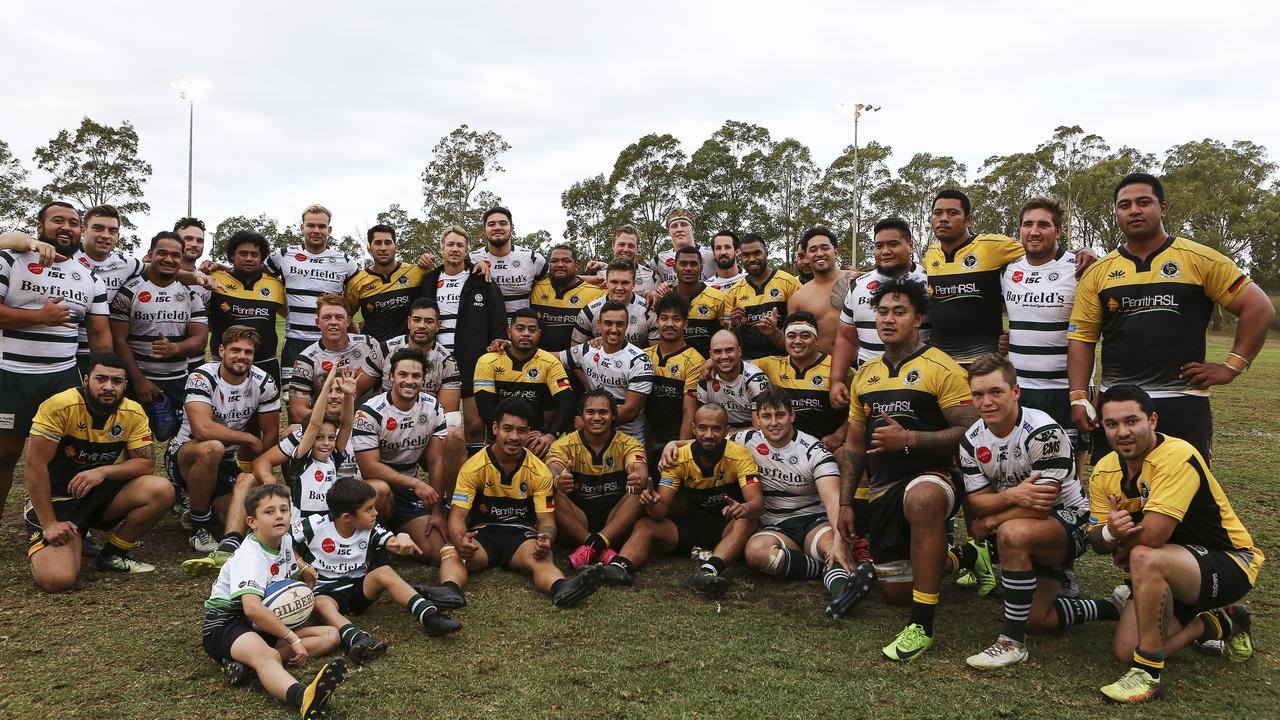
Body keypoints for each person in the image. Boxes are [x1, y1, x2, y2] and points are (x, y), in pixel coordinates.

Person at [1068, 173, 1274, 463]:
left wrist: (1231, 366)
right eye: (1124, 205)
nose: (1134, 210)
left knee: (1186, 495)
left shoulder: (1199, 259)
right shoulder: (1099, 272)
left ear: (1162, 208)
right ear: (1116, 212)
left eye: (1143, 202)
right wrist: (1078, 397)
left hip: (1182, 402)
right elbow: (1082, 338)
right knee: (1116, 494)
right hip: (1117, 405)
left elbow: (1259, 307)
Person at [1088, 384, 1262, 703]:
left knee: (1144, 554)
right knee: (1125, 650)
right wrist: (1111, 533)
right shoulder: (1103, 470)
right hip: (1169, 570)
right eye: (1111, 424)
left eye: (1131, 421)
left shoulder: (1176, 455)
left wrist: (1119, 544)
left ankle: (1148, 675)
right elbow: (1096, 541)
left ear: (1152, 420)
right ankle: (1215, 623)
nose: (1122, 432)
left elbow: (1153, 536)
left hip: (1230, 562)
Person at [836, 276, 978, 662]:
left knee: (922, 498)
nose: (888, 319)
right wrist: (846, 504)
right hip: (883, 489)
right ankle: (966, 557)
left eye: (899, 312)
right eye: (882, 312)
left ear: (918, 319)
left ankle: (922, 625)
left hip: (935, 478)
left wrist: (911, 440)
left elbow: (970, 431)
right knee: (897, 592)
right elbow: (853, 445)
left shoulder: (942, 367)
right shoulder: (865, 375)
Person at [957, 354, 1124, 669]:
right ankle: (1112, 607)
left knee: (1011, 533)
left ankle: (1011, 643)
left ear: (1016, 392)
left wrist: (992, 518)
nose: (986, 401)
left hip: (1070, 522)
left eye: (996, 392)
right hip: (1029, 523)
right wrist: (1018, 495)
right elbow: (977, 501)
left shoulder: (1043, 431)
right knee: (1036, 620)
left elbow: (1041, 505)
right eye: (978, 394)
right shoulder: (971, 440)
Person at [24, 353, 171, 589]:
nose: (108, 387)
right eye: (101, 379)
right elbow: (35, 467)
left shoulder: (132, 411)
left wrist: (102, 472)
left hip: (96, 493)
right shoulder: (60, 406)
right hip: (56, 498)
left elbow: (145, 464)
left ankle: (113, 553)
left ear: (125, 385)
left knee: (160, 488)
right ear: (86, 379)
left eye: (116, 381)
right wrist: (50, 523)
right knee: (57, 580)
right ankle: (61, 533)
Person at [199, 484, 347, 719]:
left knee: (331, 636)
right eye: (269, 512)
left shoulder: (284, 539)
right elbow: (252, 608)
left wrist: (304, 568)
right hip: (228, 624)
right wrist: (292, 638)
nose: (279, 515)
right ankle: (303, 698)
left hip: (263, 621)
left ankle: (247, 667)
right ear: (252, 522)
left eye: (284, 510)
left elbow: (288, 557)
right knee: (267, 656)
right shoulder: (250, 556)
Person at [0, 202, 110, 515]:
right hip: (10, 374)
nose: (66, 227)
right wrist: (40, 316)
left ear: (81, 231)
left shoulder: (89, 278)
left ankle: (61, 519)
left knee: (67, 456)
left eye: (73, 223)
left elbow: (100, 334)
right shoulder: (11, 259)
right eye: (57, 220)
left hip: (62, 377)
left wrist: (103, 377)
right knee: (5, 456)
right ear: (39, 226)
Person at [445, 398, 607, 607]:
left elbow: (547, 521)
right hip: (482, 535)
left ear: (528, 432)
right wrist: (460, 540)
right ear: (495, 428)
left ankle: (562, 588)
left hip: (520, 536)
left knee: (542, 557)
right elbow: (457, 516)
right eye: (507, 429)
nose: (514, 437)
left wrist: (546, 538)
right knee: (451, 550)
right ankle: (449, 591)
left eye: (521, 431)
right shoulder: (473, 466)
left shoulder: (538, 471)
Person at [600, 403, 762, 597]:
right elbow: (660, 512)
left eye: (716, 429)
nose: (709, 434)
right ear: (693, 429)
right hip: (689, 528)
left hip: (723, 527)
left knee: (747, 522)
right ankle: (620, 568)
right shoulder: (678, 457)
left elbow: (757, 504)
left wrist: (743, 508)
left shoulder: (740, 456)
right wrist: (651, 503)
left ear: (727, 431)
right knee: (646, 524)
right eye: (702, 428)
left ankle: (707, 572)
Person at [735, 388, 872, 617]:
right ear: (757, 419)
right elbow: (710, 440)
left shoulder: (814, 450)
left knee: (833, 548)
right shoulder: (746, 439)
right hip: (775, 525)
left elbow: (833, 502)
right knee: (756, 553)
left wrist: (840, 540)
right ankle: (821, 569)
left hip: (813, 522)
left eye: (780, 415)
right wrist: (675, 445)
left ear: (792, 416)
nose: (774, 423)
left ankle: (841, 595)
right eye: (767, 416)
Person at [295, 479, 460, 665]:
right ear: (347, 517)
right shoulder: (314, 525)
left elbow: (392, 541)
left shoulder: (370, 528)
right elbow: (285, 541)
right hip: (326, 592)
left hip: (358, 589)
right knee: (320, 603)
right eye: (369, 509)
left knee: (384, 571)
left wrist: (403, 538)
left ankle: (430, 616)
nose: (376, 513)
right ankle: (357, 639)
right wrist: (302, 566)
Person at [169, 326, 281, 553]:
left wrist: (259, 471)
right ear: (222, 350)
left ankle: (198, 512)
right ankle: (199, 526)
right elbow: (202, 429)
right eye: (235, 350)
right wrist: (247, 438)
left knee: (241, 518)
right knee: (212, 447)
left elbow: (270, 434)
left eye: (248, 352)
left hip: (226, 462)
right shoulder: (202, 376)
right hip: (186, 455)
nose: (242, 357)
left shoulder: (263, 382)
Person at [1000, 198, 1089, 474]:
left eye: (1043, 224)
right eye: (1027, 224)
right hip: (1020, 389)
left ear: (1059, 230)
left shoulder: (1080, 267)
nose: (1034, 231)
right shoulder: (1008, 270)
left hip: (1063, 389)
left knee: (1067, 474)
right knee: (1023, 468)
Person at [351, 349, 456, 565]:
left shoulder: (433, 407)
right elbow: (369, 467)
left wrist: (436, 511)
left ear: (424, 379)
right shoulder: (370, 412)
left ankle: (401, 531)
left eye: (416, 376)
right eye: (403, 375)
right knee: (381, 490)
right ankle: (373, 540)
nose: (409, 381)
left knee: (436, 553)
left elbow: (437, 460)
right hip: (371, 487)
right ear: (391, 377)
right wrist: (415, 482)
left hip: (408, 491)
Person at [109, 231, 209, 440]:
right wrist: (138, 381)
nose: (169, 259)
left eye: (175, 255)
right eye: (162, 253)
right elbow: (118, 339)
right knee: (131, 440)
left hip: (178, 380)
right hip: (139, 380)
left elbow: (200, 339)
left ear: (181, 259)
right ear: (150, 254)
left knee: (182, 440)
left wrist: (176, 348)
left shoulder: (191, 295)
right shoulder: (129, 291)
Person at [417, 225, 506, 455]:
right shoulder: (429, 280)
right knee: (442, 423)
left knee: (475, 424)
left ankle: (473, 472)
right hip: (435, 358)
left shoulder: (481, 279)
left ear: (467, 250)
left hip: (472, 357)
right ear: (442, 248)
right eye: (450, 244)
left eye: (460, 245)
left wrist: (498, 339)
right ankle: (446, 469)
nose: (454, 249)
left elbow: (497, 316)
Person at [545, 390, 648, 569]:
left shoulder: (628, 443)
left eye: (603, 412)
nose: (597, 417)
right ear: (581, 416)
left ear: (613, 415)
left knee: (639, 490)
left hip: (615, 519)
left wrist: (637, 475)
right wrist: (557, 478)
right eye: (590, 412)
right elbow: (552, 466)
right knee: (550, 489)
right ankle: (599, 546)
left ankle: (590, 547)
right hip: (578, 519)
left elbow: (639, 467)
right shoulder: (564, 444)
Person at [831, 218, 929, 401]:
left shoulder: (929, 280)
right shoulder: (859, 285)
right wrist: (836, 380)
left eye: (893, 244)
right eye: (879, 246)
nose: (885, 251)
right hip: (870, 386)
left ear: (910, 245)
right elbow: (846, 338)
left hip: (921, 386)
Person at [264, 204, 360, 383]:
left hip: (332, 343)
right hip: (295, 342)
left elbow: (365, 287)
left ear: (329, 230)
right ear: (302, 228)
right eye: (311, 225)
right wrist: (221, 268)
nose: (316, 230)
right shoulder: (284, 255)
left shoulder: (344, 260)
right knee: (294, 402)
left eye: (322, 226)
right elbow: (253, 275)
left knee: (333, 399)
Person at [473, 309, 575, 457]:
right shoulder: (487, 361)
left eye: (532, 329)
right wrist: (512, 435)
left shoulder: (550, 362)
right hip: (499, 435)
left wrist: (552, 435)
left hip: (537, 438)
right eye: (520, 328)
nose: (526, 333)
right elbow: (485, 408)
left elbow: (568, 402)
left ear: (539, 334)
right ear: (509, 332)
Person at [66, 206, 144, 374]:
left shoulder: (126, 263)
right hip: (66, 354)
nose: (105, 235)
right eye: (98, 228)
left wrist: (198, 277)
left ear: (118, 236)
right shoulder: (64, 257)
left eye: (112, 231)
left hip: (104, 353)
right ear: (83, 230)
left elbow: (159, 270)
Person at [754, 311, 848, 450]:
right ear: (784, 339)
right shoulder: (770, 364)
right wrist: (712, 362)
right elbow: (735, 364)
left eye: (805, 336)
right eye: (791, 336)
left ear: (816, 339)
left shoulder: (838, 368)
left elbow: (861, 407)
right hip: (785, 448)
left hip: (825, 447)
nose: (798, 341)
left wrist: (839, 435)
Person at [562, 301, 654, 443]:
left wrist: (589, 423)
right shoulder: (588, 350)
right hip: (592, 432)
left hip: (627, 437)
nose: (613, 329)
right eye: (608, 323)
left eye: (619, 324)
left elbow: (631, 410)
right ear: (599, 324)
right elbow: (550, 358)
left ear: (627, 325)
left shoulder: (640, 360)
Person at [206, 230, 286, 386]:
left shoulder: (276, 286)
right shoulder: (214, 278)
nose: (249, 258)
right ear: (232, 256)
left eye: (254, 254)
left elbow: (291, 315)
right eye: (243, 254)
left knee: (268, 410)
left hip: (265, 364)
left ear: (261, 258)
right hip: (223, 364)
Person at [288, 294, 377, 424]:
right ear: (317, 323)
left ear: (348, 321)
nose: (333, 322)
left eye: (339, 317)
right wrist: (337, 424)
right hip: (327, 423)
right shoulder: (306, 359)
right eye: (327, 317)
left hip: (367, 419)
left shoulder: (369, 344)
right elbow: (297, 411)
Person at [643, 292, 702, 471]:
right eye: (664, 318)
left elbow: (689, 410)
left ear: (685, 324)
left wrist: (679, 449)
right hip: (645, 439)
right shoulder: (644, 356)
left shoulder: (695, 360)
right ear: (657, 322)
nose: (669, 324)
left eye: (676, 319)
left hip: (674, 440)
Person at [345, 223, 426, 343]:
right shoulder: (357, 282)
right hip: (375, 353)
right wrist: (360, 340)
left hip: (409, 353)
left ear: (396, 247)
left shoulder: (417, 272)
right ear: (369, 248)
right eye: (377, 243)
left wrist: (428, 259)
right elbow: (345, 317)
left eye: (388, 242)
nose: (383, 248)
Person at [725, 233, 801, 360]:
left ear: (766, 253)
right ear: (741, 258)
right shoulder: (733, 292)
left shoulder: (789, 282)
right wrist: (734, 325)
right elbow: (729, 339)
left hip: (784, 361)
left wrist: (774, 332)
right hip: (749, 363)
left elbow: (801, 329)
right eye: (746, 255)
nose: (752, 259)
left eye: (757, 253)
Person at [787, 227, 857, 355]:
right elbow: (791, 339)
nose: (819, 253)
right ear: (807, 256)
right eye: (813, 250)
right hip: (821, 368)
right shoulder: (798, 298)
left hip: (861, 365)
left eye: (825, 248)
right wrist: (772, 332)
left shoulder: (858, 280)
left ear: (836, 252)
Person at [470, 206, 547, 314]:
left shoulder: (532, 258)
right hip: (486, 328)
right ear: (484, 231)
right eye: (491, 224)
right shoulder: (471, 259)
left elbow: (556, 279)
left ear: (511, 229)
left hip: (520, 328)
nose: (497, 227)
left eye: (503, 223)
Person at [530, 244, 604, 353]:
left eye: (566, 261)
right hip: (539, 362)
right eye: (554, 261)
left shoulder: (597, 293)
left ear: (576, 266)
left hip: (576, 364)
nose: (560, 264)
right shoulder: (535, 288)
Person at [571, 258, 656, 348]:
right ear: (606, 282)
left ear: (634, 284)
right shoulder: (589, 312)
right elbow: (575, 354)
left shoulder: (648, 310)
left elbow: (656, 356)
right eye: (614, 282)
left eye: (625, 283)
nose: (619, 287)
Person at [698, 329, 771, 431]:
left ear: (739, 352)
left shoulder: (756, 380)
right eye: (718, 351)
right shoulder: (706, 379)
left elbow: (759, 429)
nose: (724, 356)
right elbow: (703, 426)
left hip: (751, 439)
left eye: (729, 350)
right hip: (719, 436)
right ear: (711, 355)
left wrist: (725, 437)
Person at [671, 246, 729, 358]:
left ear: (701, 268)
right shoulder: (666, 298)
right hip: (675, 366)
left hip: (711, 365)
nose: (688, 268)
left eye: (693, 264)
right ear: (674, 267)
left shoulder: (718, 298)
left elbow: (727, 334)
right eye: (683, 264)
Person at [648, 208, 715, 288]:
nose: (679, 229)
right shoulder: (658, 260)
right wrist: (650, 292)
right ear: (669, 231)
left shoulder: (711, 256)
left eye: (683, 225)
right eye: (674, 226)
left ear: (693, 229)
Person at [586, 224, 657, 295]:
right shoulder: (598, 273)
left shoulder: (651, 275)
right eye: (621, 245)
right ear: (613, 245)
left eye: (631, 246)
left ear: (637, 249)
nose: (626, 249)